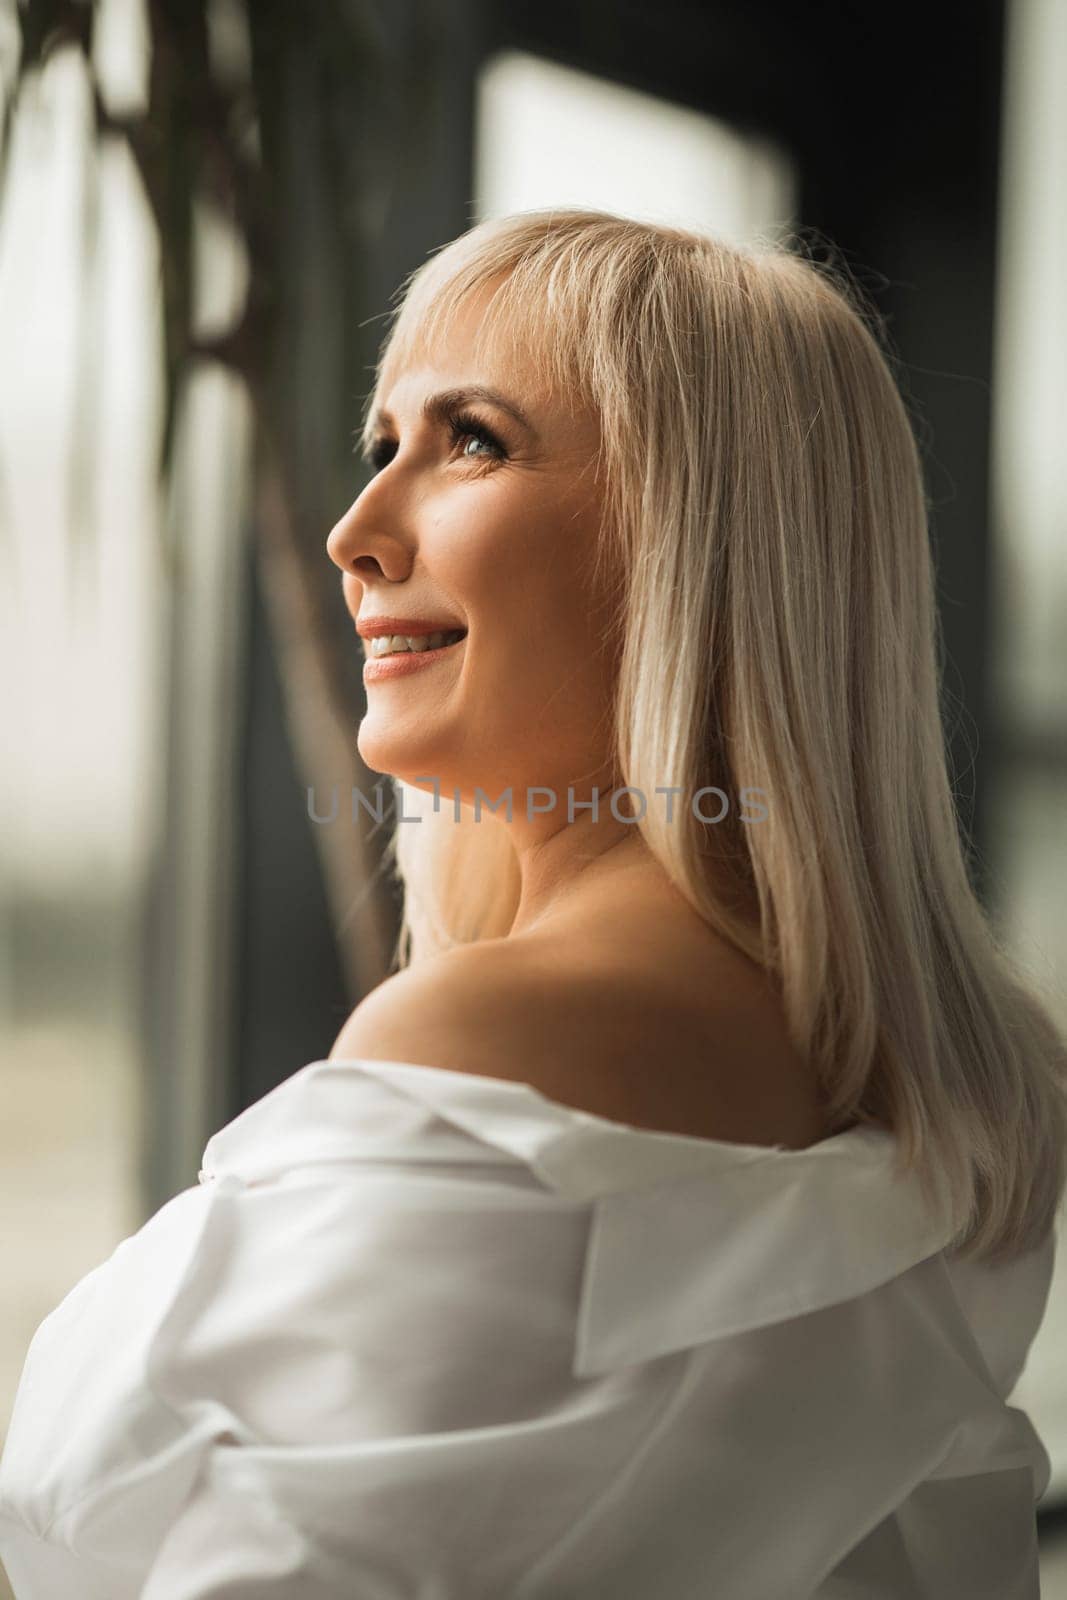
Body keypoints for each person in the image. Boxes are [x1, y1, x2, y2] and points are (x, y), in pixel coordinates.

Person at [1, 208, 1064, 1597]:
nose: (355, 532)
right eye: (385, 446)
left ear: (696, 535)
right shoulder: (934, 1080)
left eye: (473, 441)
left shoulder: (487, 1038)